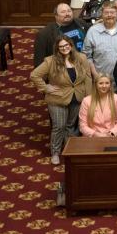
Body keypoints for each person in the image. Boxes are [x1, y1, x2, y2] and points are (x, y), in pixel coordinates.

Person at [30, 35, 93, 164]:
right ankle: (55, 153)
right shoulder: (51, 61)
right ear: (57, 49)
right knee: (59, 126)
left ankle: (70, 151)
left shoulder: (81, 58)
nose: (64, 48)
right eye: (61, 47)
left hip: (77, 96)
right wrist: (45, 88)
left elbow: (87, 77)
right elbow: (34, 75)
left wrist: (88, 96)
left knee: (71, 125)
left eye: (66, 45)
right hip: (57, 98)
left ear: (71, 45)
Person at [82, 0, 117, 77]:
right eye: (106, 13)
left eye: (112, 12)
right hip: (101, 80)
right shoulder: (93, 31)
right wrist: (95, 75)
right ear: (101, 14)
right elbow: (86, 56)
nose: (109, 15)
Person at [34, 2, 87, 66]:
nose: (67, 14)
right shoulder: (45, 34)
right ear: (56, 16)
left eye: (69, 11)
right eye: (63, 12)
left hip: (84, 61)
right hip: (62, 67)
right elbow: (39, 60)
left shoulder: (80, 22)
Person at [78, 73, 117, 137]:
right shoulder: (86, 101)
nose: (104, 86)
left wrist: (111, 133)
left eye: (107, 83)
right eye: (101, 83)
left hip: (112, 136)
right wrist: (96, 134)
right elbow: (82, 125)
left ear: (110, 85)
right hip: (91, 137)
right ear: (95, 85)